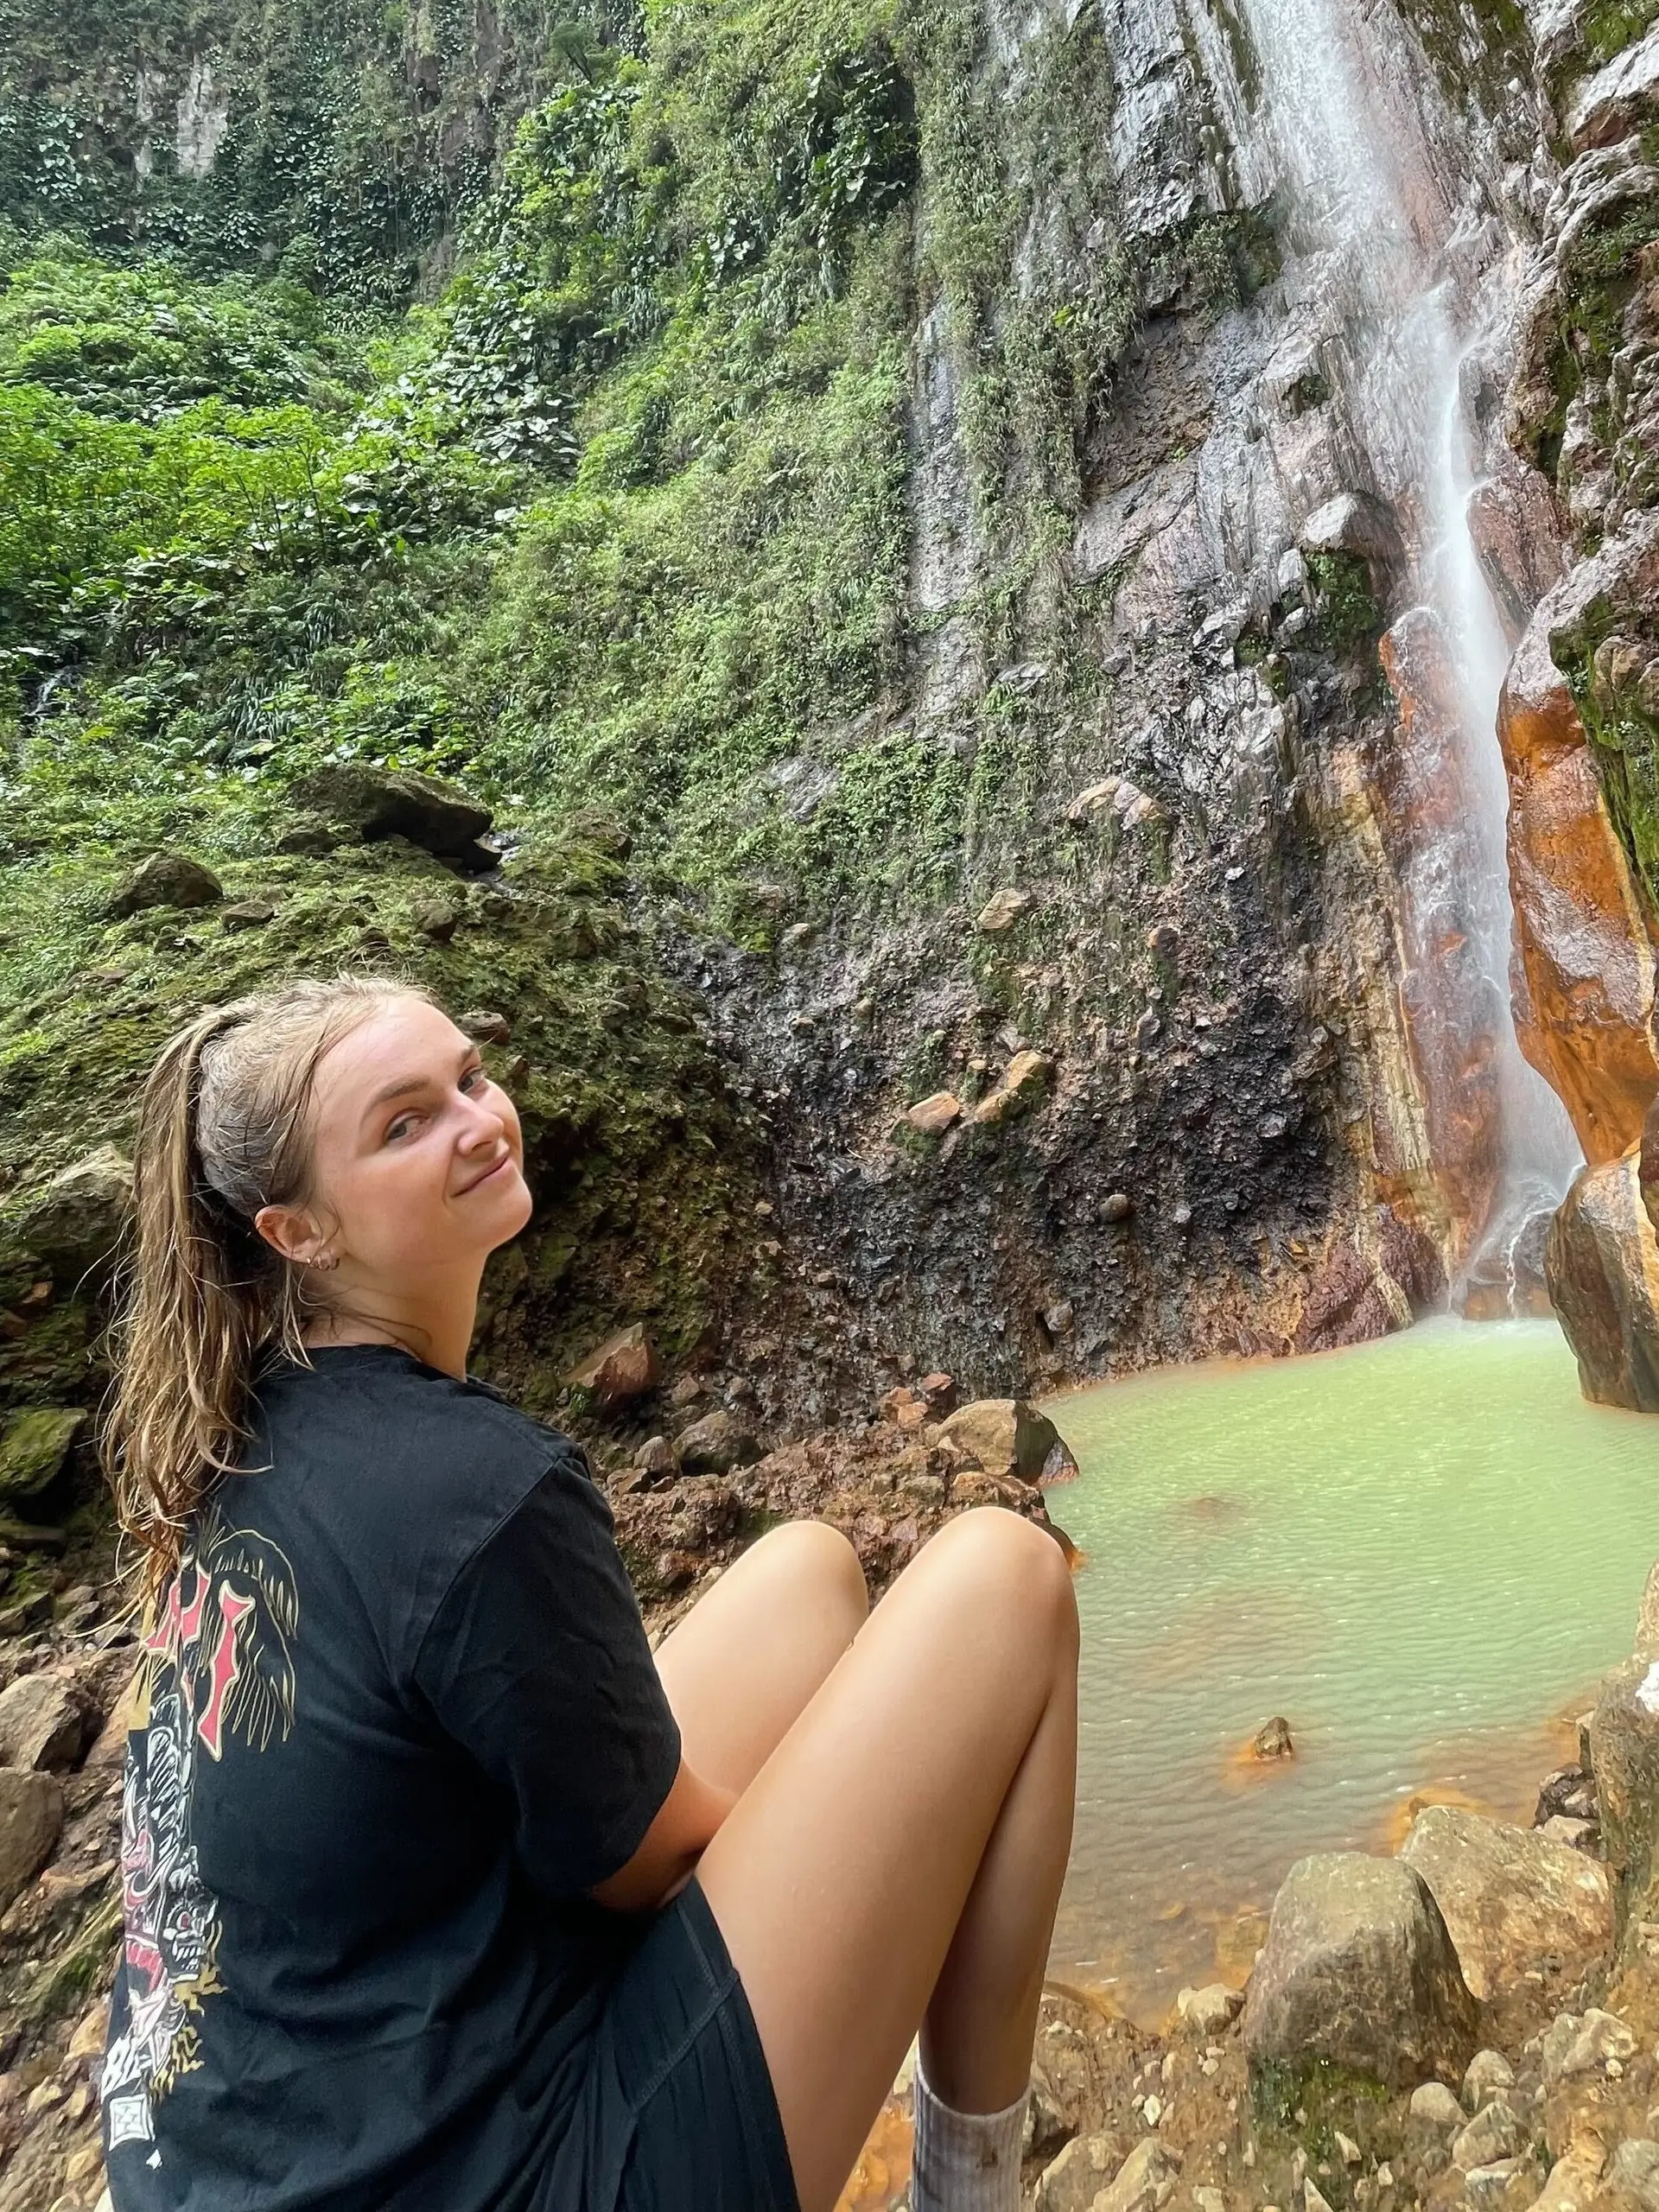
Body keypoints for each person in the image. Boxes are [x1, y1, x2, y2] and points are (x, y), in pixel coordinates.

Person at [99, 974, 1078, 2212]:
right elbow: (656, 1863)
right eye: (404, 1123)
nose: (476, 1120)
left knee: (810, 1572)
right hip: (491, 2179)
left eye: (468, 1077)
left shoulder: (246, 1442)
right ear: (297, 1231)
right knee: (1007, 1578)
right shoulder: (471, 1490)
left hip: (267, 2150)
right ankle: (971, 2192)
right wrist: (885, 1844)